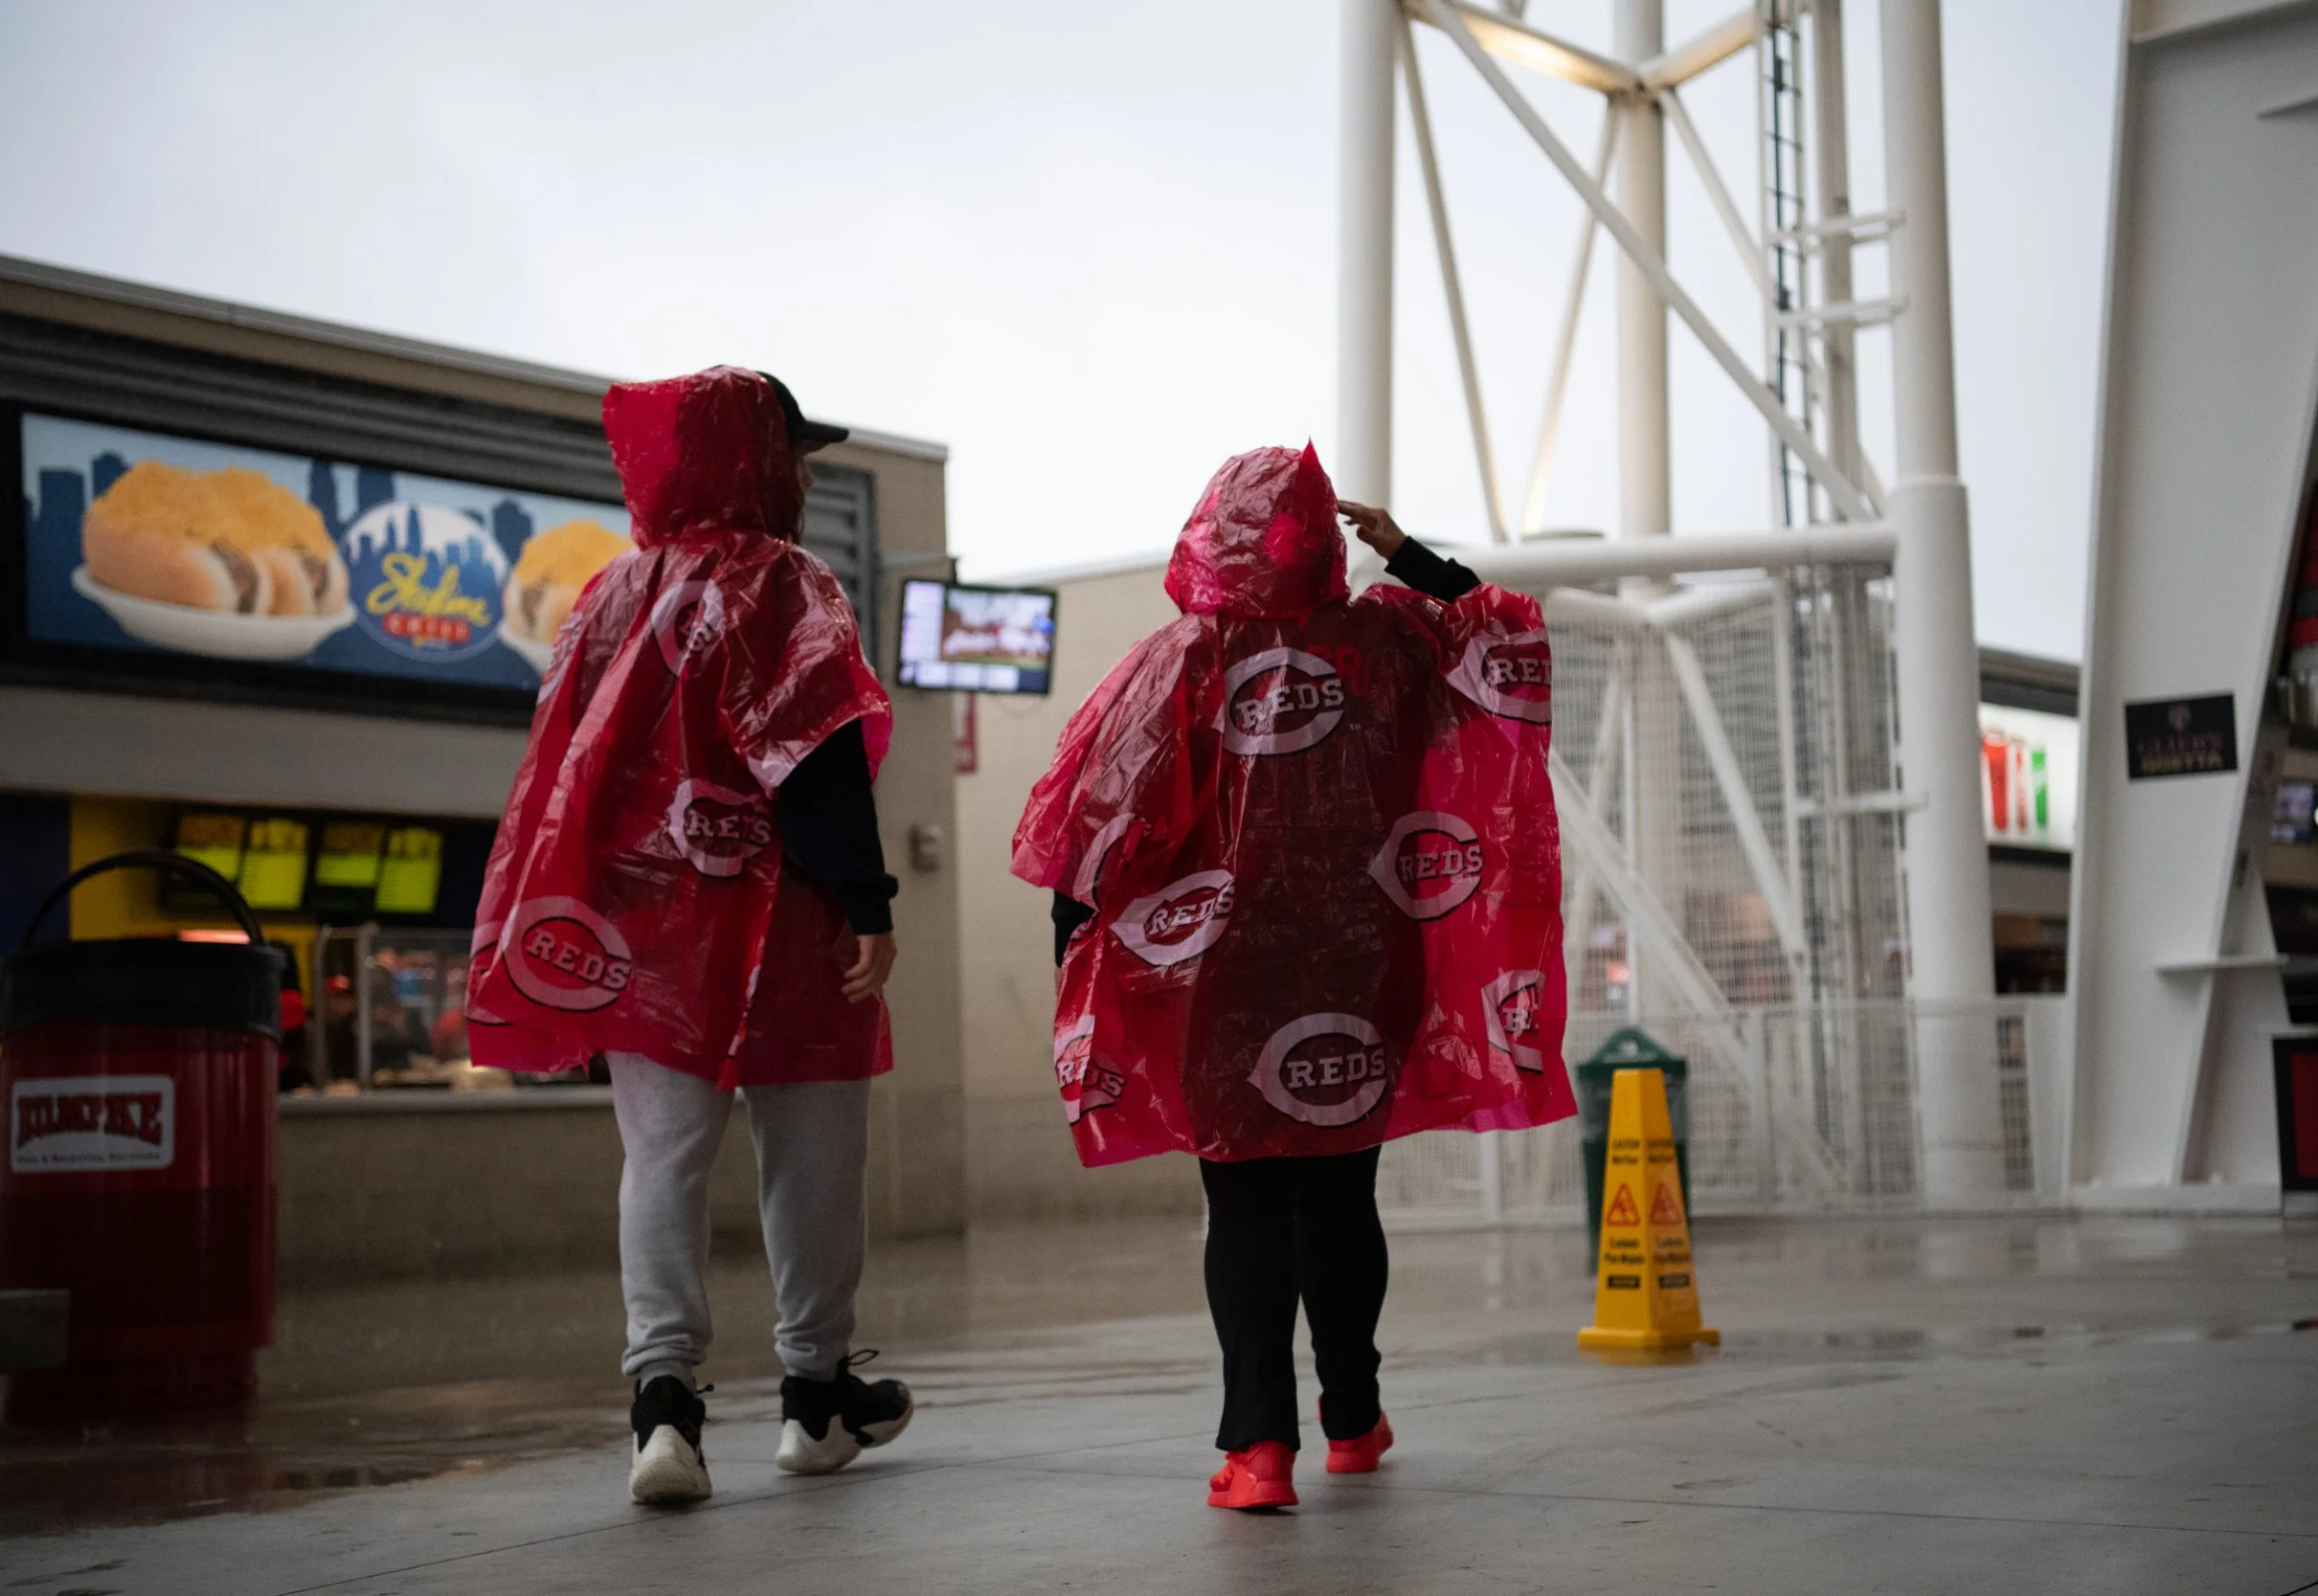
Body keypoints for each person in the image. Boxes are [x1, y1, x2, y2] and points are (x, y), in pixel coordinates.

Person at [1014, 446, 1572, 1512]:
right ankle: (1352, 1418)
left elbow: (1095, 829)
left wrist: (1077, 965)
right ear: (1325, 535)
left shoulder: (1176, 658)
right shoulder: (1388, 641)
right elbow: (1502, 638)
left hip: (1214, 973)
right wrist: (1406, 552)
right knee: (1340, 1193)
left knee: (1245, 1201)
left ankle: (1256, 1446)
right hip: (1367, 952)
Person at [467, 366, 911, 1506]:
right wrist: (868, 900)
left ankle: (662, 1407)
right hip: (789, 921)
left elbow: (562, 774)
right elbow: (812, 755)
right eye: (793, 452)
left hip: (643, 933)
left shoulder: (607, 596)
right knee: (811, 1158)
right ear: (757, 458)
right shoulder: (788, 580)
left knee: (660, 1161)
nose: (803, 476)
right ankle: (815, 1398)